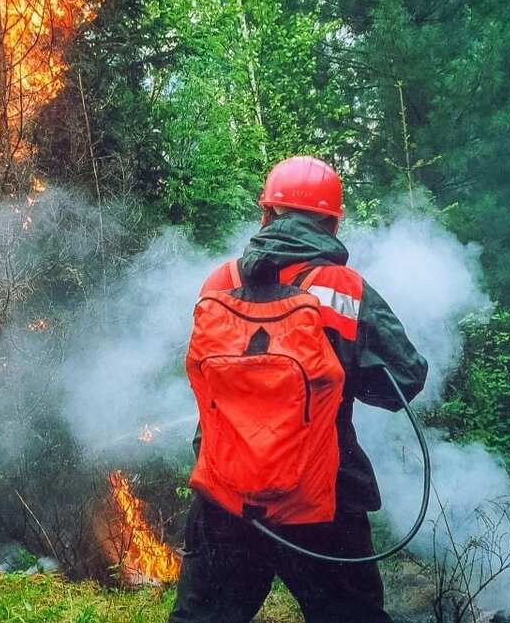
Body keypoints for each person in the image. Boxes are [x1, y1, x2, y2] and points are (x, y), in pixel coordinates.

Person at [169, 156, 429, 623]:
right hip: (324, 503)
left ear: (266, 215)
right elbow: (405, 380)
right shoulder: (344, 290)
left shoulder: (218, 283)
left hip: (226, 503)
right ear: (331, 224)